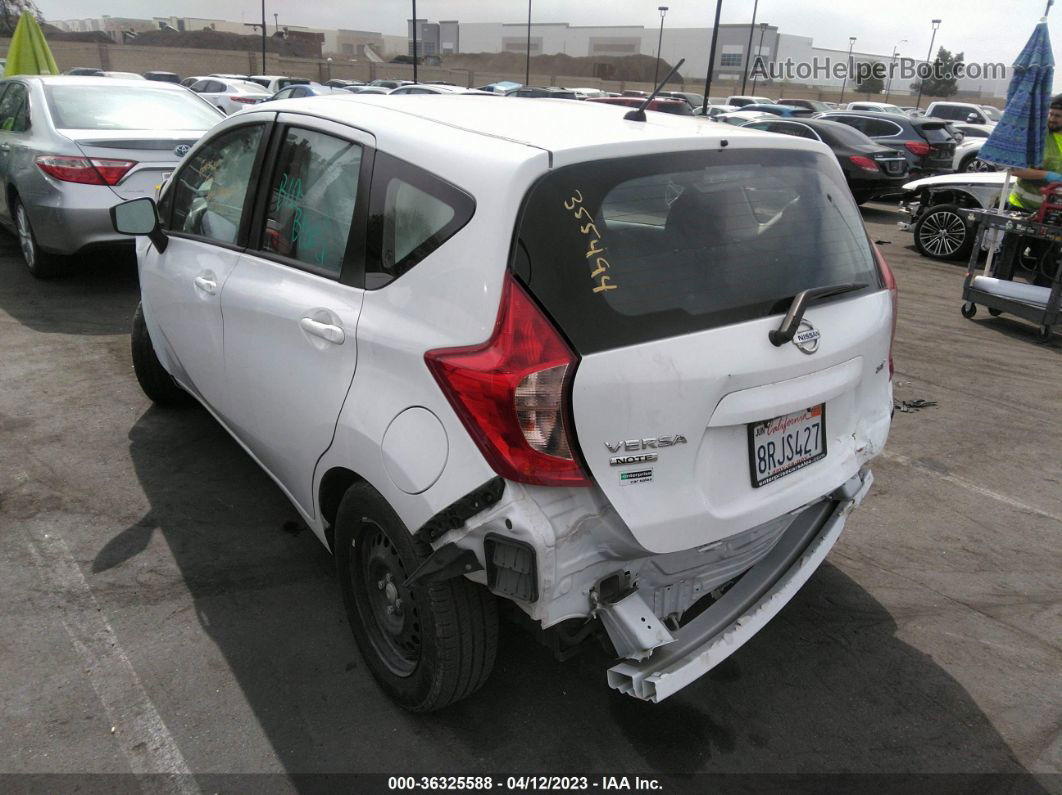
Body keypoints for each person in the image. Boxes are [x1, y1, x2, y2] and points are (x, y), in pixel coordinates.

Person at [1007, 94, 1062, 212]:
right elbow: (1015, 169)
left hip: (1053, 211)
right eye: (1051, 114)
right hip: (1021, 207)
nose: (1052, 119)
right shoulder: (1036, 136)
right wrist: (1047, 175)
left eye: (1057, 116)